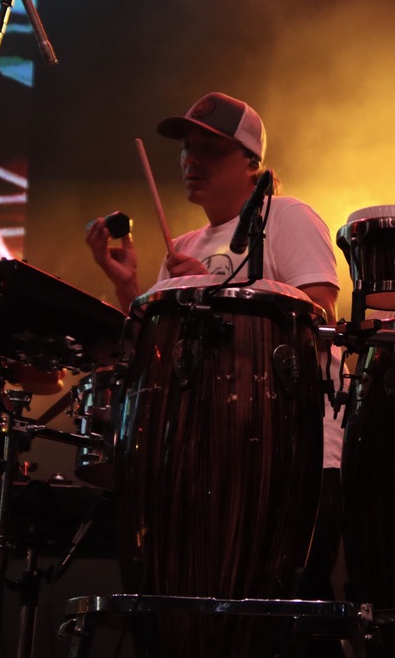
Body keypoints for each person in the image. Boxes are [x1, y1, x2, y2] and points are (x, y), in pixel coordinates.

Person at [84, 91, 345, 653]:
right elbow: (157, 355)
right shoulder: (182, 246)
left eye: (210, 149)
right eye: (186, 148)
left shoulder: (287, 216)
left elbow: (323, 315)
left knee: (284, 623)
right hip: (201, 456)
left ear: (251, 162)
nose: (191, 160)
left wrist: (213, 286)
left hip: (289, 451)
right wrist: (128, 288)